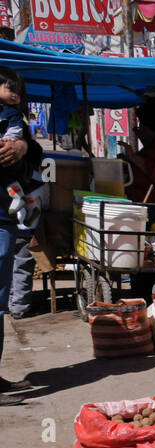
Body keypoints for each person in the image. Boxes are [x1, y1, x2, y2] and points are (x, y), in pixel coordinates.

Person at [0, 66, 38, 403]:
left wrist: (22, 147)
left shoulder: (13, 118)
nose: (16, 95)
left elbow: (32, 152)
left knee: (0, 303)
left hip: (4, 214)